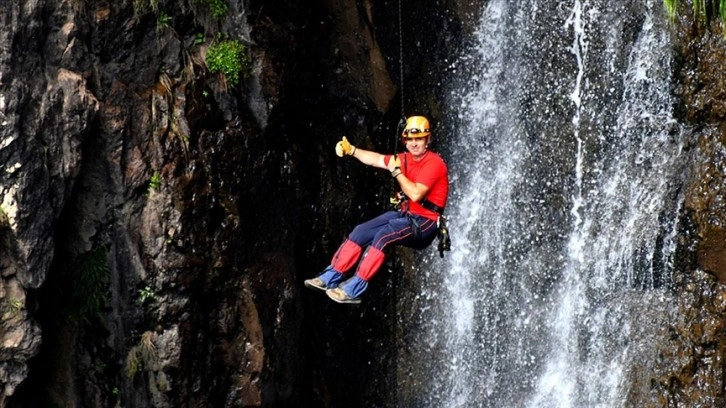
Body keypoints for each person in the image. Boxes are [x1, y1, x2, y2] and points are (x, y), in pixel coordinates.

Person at [304, 115, 449, 304]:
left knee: (384, 235)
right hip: (406, 215)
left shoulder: (434, 163)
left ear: (427, 139)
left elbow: (415, 194)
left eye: (419, 139)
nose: (414, 143)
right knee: (361, 231)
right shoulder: (403, 159)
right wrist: (352, 150)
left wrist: (396, 172)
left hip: (425, 223)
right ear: (405, 140)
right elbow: (377, 159)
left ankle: (353, 290)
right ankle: (330, 276)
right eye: (411, 139)